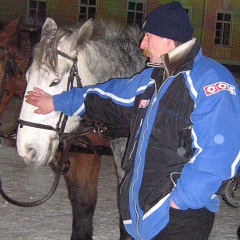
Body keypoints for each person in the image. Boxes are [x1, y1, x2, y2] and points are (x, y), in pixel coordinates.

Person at [25, 1, 240, 239]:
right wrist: (56, 102)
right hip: (143, 214)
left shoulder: (210, 80)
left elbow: (222, 151)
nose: (142, 44)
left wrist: (182, 200)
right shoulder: (153, 77)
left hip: (182, 217)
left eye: (148, 36)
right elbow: (106, 96)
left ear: (168, 40)